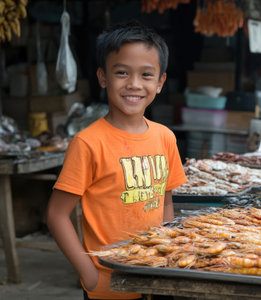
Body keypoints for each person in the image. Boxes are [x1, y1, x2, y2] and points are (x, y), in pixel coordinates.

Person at [46, 20, 187, 300]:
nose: (134, 84)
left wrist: (167, 253)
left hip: (156, 276)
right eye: (122, 72)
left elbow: (166, 201)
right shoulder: (87, 143)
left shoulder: (165, 137)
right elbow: (56, 214)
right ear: (103, 77)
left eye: (146, 75)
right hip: (108, 285)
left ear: (160, 83)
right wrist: (89, 273)